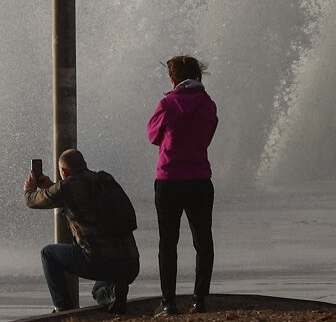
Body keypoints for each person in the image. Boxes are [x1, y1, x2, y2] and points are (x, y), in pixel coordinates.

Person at [23, 148, 140, 314]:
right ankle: (114, 294)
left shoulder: (67, 187)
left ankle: (63, 309)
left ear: (63, 171)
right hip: (131, 264)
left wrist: (29, 189)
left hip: (99, 261)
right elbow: (82, 200)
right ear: (84, 164)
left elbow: (32, 201)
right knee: (99, 291)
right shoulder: (105, 179)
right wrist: (52, 187)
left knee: (48, 254)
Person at [147, 55, 218, 316]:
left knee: (168, 243)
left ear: (173, 78)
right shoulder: (208, 104)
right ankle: (200, 300)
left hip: (169, 179)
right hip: (199, 178)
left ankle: (169, 303)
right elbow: (207, 137)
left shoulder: (167, 103)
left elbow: (153, 136)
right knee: (203, 241)